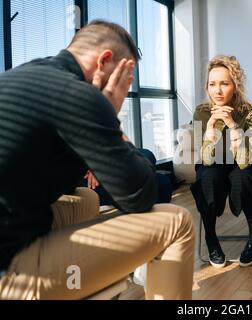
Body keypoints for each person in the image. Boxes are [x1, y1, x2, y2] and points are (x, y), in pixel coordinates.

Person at [0, 20, 194, 300]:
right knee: (177, 222)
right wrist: (110, 115)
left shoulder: (25, 75)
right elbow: (141, 196)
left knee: (87, 200)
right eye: (126, 82)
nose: (125, 95)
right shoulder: (79, 95)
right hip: (10, 273)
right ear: (104, 61)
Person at [190, 55, 252, 268]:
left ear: (235, 86)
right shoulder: (201, 113)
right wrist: (211, 126)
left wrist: (232, 125)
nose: (217, 91)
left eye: (224, 83)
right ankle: (211, 238)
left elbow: (243, 161)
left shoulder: (250, 114)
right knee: (208, 176)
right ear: (207, 87)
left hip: (242, 162)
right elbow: (204, 158)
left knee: (245, 176)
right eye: (212, 84)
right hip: (213, 164)